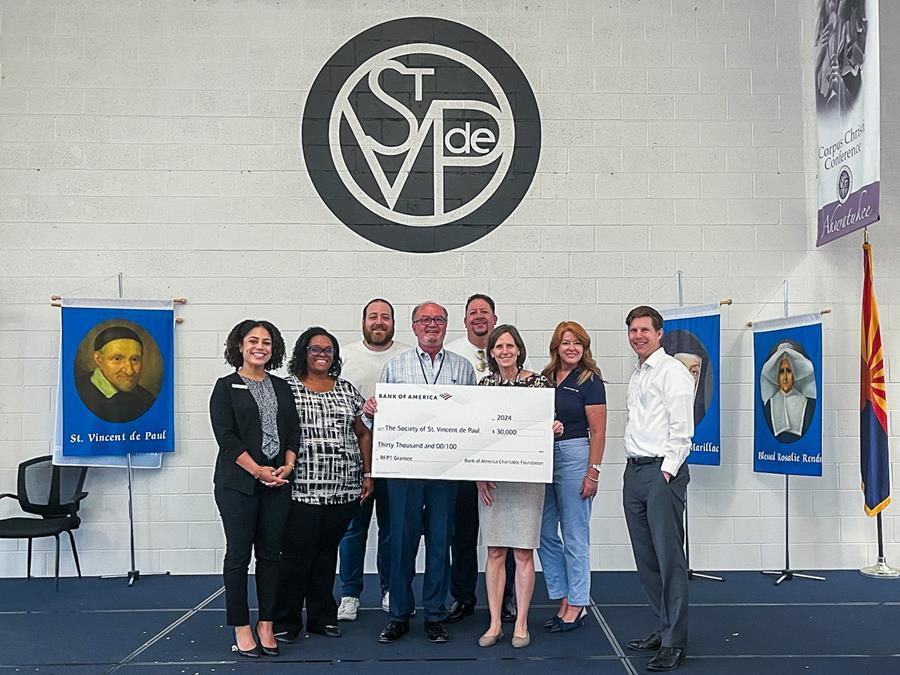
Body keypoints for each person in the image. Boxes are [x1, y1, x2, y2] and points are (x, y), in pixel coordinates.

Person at [364, 301, 476, 644]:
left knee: (441, 542)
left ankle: (435, 615)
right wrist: (372, 410)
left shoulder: (463, 368)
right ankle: (398, 613)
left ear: (446, 326)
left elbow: (475, 418)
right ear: (413, 327)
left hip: (446, 469)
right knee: (401, 541)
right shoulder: (395, 366)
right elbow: (377, 421)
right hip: (404, 471)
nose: (432, 325)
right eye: (425, 320)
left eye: (438, 320)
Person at [273, 327, 373, 643]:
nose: (322, 355)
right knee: (296, 556)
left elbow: (363, 433)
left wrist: (367, 474)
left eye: (328, 350)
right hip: (300, 489)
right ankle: (287, 621)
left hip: (343, 489)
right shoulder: (286, 390)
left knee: (327, 554)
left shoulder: (346, 390)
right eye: (315, 349)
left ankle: (322, 617)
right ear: (303, 352)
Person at [209, 320, 298, 658]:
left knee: (272, 556)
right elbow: (227, 439)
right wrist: (258, 471)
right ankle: (242, 626)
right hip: (238, 485)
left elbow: (292, 432)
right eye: (253, 341)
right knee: (238, 556)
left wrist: (286, 467)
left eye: (267, 342)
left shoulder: (282, 387)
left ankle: (267, 624)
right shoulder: (225, 386)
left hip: (278, 481)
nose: (260, 346)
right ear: (240, 346)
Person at [475, 324, 562, 649]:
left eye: (510, 346)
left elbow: (545, 426)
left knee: (524, 552)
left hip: (527, 478)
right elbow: (476, 436)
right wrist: (479, 475)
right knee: (495, 551)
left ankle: (521, 623)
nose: (505, 351)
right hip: (494, 481)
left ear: (519, 349)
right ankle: (495, 622)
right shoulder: (483, 386)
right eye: (499, 346)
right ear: (492, 352)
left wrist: (553, 427)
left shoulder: (539, 382)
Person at [445, 294, 528, 623]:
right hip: (467, 461)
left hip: (505, 465)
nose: (479, 317)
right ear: (465, 320)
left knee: (505, 536)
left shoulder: (511, 357)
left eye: (485, 312)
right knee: (462, 534)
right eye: (472, 313)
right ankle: (463, 597)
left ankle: (508, 599)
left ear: (495, 319)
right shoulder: (452, 352)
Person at [622, 306, 695, 672]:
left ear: (659, 332)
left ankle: (674, 642)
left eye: (644, 330)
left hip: (660, 473)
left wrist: (665, 474)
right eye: (633, 331)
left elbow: (683, 430)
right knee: (646, 560)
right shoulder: (638, 374)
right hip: (634, 472)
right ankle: (662, 626)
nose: (638, 336)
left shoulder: (673, 372)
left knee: (669, 560)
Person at [336, 299, 410, 621]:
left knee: (392, 530)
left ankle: (389, 588)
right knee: (353, 531)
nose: (379, 322)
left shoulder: (408, 356)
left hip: (398, 457)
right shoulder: (345, 356)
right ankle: (350, 593)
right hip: (354, 459)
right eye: (372, 317)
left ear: (394, 322)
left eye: (385, 317)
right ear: (363, 321)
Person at [538, 321, 606, 633]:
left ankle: (578, 604)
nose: (572, 348)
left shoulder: (590, 380)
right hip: (543, 457)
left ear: (584, 347)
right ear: (556, 346)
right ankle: (563, 595)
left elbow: (599, 431)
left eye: (577, 343)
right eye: (566, 342)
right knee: (542, 532)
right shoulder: (545, 378)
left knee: (575, 533)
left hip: (576, 455)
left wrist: (593, 471)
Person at [75, 325, 157, 423]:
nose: (129, 371)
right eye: (117, 359)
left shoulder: (148, 400)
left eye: (134, 359)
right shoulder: (77, 393)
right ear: (99, 359)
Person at [760, 341, 817, 442]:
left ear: (795, 374)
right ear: (777, 376)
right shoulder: (770, 404)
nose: (785, 377)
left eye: (789, 371)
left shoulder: (807, 403)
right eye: (782, 372)